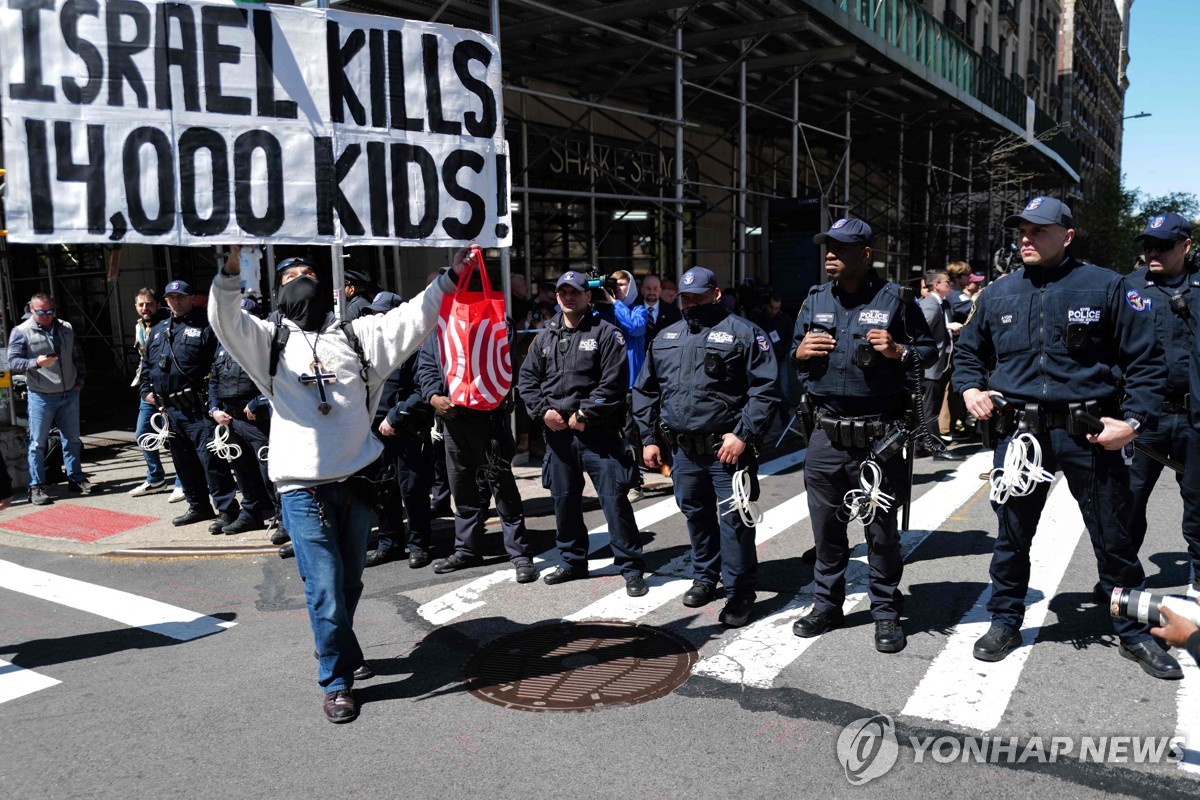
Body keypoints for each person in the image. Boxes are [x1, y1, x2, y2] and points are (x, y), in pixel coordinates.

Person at [209, 245, 461, 724]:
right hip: (302, 490)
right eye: (290, 278)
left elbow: (414, 316)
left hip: (359, 481)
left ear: (327, 285)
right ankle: (336, 680)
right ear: (278, 292)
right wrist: (230, 271)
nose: (301, 282)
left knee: (349, 581)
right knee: (323, 586)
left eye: (309, 274)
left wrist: (450, 277)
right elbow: (225, 318)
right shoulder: (267, 341)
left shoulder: (357, 333)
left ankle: (341, 644)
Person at [954, 195, 1181, 679]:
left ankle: (1134, 633)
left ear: (1067, 235)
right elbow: (968, 352)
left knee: (1115, 538)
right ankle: (1005, 620)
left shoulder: (1106, 286)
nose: (1025, 238)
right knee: (1012, 538)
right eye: (1021, 230)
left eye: (1037, 230)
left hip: (1090, 434)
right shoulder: (997, 293)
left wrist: (1134, 422)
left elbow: (1146, 363)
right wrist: (970, 387)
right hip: (1020, 437)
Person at [789, 219, 937, 653]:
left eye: (840, 248)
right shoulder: (814, 299)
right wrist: (798, 353)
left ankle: (886, 612)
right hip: (826, 435)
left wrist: (898, 351)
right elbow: (794, 354)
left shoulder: (897, 300)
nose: (830, 254)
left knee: (881, 531)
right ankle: (826, 604)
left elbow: (926, 351)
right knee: (826, 531)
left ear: (866, 254)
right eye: (827, 247)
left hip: (879, 437)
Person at [633, 266, 779, 628]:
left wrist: (743, 434)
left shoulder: (745, 334)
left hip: (727, 450)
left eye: (699, 296)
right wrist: (649, 438)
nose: (691, 303)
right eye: (686, 297)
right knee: (695, 516)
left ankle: (740, 592)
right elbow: (646, 390)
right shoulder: (666, 336)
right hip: (683, 451)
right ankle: (705, 578)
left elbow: (766, 390)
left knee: (734, 523)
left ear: (716, 294)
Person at [518, 271, 647, 595]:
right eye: (562, 292)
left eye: (574, 292)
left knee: (614, 501)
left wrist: (585, 414)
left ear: (588, 296)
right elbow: (528, 381)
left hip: (597, 433)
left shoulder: (606, 333)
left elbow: (615, 383)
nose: (568, 297)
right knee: (564, 502)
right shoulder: (546, 335)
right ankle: (572, 561)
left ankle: (631, 567)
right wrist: (542, 412)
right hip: (558, 434)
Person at [418, 322, 537, 583]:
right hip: (453, 420)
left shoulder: (496, 319)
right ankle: (467, 549)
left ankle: (519, 553)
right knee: (462, 489)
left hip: (490, 420)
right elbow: (427, 364)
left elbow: (506, 368)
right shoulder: (441, 324)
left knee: (502, 489)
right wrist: (433, 397)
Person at [1123, 212, 1200, 594]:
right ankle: (1119, 578)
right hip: (1144, 419)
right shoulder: (1129, 288)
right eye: (1147, 245)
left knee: (1199, 505)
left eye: (1163, 245)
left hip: (1194, 418)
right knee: (1127, 503)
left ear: (1186, 246)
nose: (1152, 252)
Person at [141, 280, 240, 529]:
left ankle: (227, 509)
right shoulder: (159, 329)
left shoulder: (206, 326)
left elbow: (218, 366)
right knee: (183, 463)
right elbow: (148, 365)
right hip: (170, 410)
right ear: (166, 301)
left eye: (181, 297)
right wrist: (145, 391)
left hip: (197, 407)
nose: (177, 301)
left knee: (211, 462)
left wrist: (215, 402)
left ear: (192, 298)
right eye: (171, 297)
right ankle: (198, 506)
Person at [362, 292, 436, 570]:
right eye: (372, 313)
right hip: (374, 433)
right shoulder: (368, 349)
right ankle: (389, 543)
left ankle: (419, 545)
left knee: (412, 491)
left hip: (406, 432)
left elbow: (424, 390)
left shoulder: (416, 348)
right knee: (382, 491)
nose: (375, 318)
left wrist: (394, 417)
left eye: (381, 313)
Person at [7, 293, 91, 504]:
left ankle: (76, 478)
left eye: (50, 311)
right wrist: (36, 362)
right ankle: (36, 487)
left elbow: (78, 356)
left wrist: (79, 383)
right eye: (41, 312)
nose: (46, 316)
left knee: (72, 440)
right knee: (37, 443)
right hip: (41, 396)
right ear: (32, 310)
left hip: (69, 392)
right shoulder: (21, 331)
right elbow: (13, 362)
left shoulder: (66, 327)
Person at [206, 297, 274, 535]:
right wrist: (214, 409)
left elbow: (279, 382)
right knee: (242, 472)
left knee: (270, 471)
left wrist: (258, 402)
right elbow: (213, 379)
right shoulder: (224, 342)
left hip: (258, 419)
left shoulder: (265, 343)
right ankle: (251, 514)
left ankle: (284, 519)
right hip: (231, 419)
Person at [917, 269, 965, 461]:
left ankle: (919, 446)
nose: (950, 285)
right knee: (930, 408)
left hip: (942, 362)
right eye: (946, 282)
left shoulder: (943, 303)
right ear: (936, 285)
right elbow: (920, 331)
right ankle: (936, 448)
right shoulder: (930, 305)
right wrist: (947, 327)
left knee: (930, 407)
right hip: (931, 365)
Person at [129, 289, 173, 497]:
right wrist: (144, 389)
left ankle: (184, 482)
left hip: (170, 388)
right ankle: (156, 478)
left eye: (149, 304)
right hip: (148, 390)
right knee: (143, 434)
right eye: (141, 305)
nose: (145, 308)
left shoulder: (170, 323)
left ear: (157, 304)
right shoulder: (139, 327)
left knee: (175, 437)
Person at [642, 274, 682, 350]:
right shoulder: (633, 310)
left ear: (660, 291)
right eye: (648, 288)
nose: (651, 292)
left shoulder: (673, 312)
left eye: (655, 288)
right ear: (642, 290)